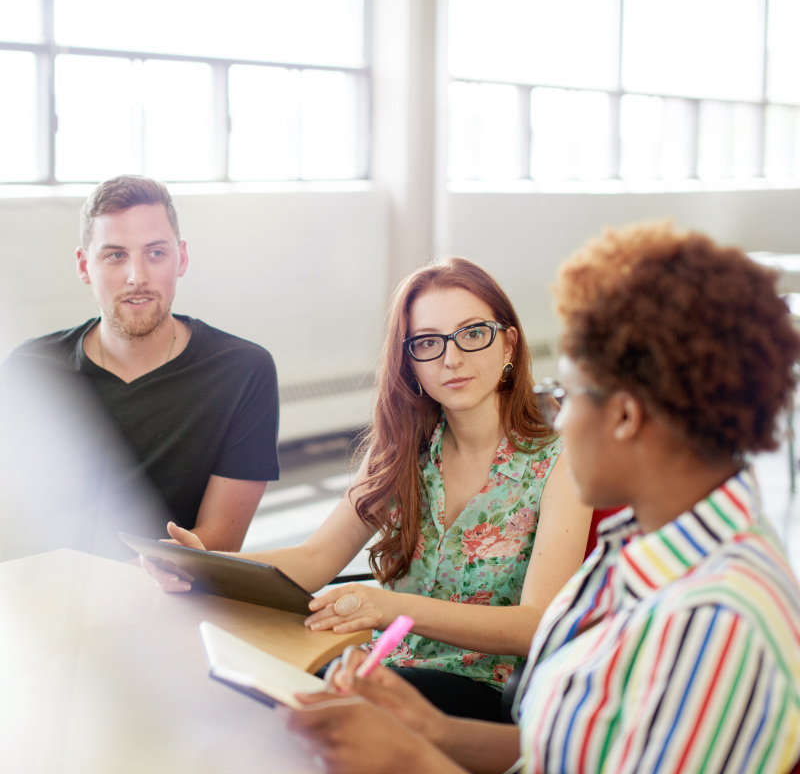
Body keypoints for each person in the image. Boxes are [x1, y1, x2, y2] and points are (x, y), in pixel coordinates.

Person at [285, 221, 800, 774]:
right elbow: (570, 752)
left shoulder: (711, 620)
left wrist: (411, 759)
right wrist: (432, 730)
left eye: (569, 393)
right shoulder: (647, 557)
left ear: (624, 416)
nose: (559, 416)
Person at [145, 256, 593, 722]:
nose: (452, 358)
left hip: (484, 693)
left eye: (473, 334)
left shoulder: (560, 463)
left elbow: (536, 622)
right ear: (410, 362)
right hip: (381, 666)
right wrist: (208, 567)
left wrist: (390, 607)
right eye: (428, 343)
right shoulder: (401, 449)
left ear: (509, 345)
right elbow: (315, 559)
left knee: (305, 715)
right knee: (232, 684)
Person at [2, 175, 279, 556]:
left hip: (167, 598)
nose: (138, 278)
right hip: (47, 592)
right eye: (116, 255)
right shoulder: (31, 369)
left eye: (155, 253)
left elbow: (218, 545)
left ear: (180, 258)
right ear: (84, 266)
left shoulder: (243, 371)